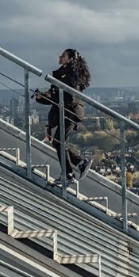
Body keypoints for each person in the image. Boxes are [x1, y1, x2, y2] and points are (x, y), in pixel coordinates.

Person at [34, 49, 92, 182]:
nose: (60, 57)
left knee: (59, 142)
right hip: (67, 111)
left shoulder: (71, 75)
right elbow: (57, 97)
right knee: (58, 142)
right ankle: (77, 165)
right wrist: (42, 97)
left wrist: (50, 94)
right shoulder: (64, 74)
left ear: (71, 59)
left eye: (63, 56)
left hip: (70, 112)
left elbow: (67, 95)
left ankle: (70, 172)